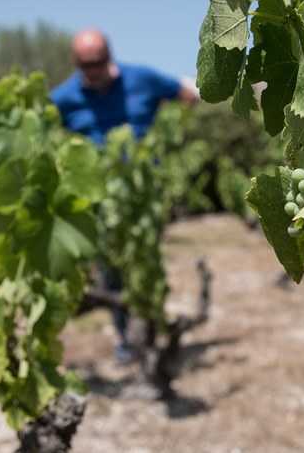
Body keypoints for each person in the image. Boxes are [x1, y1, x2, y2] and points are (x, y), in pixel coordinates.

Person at [51, 29, 198, 363]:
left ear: (110, 56)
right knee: (111, 271)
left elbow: (186, 95)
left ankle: (152, 329)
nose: (94, 69)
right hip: (100, 201)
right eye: (86, 64)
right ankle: (126, 339)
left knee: (146, 262)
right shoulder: (63, 98)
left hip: (145, 195)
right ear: (76, 64)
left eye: (99, 61)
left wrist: (172, 136)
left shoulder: (141, 78)